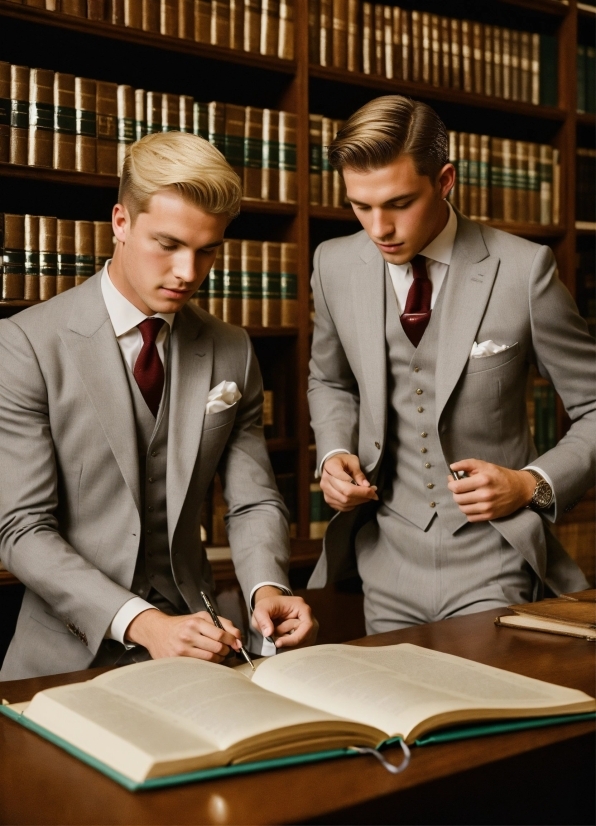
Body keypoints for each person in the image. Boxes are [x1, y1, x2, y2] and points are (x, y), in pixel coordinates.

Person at [0, 131, 316, 681]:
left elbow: (253, 502)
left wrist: (268, 586)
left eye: (207, 250)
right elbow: (23, 529)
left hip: (201, 644)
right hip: (62, 658)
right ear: (120, 222)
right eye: (168, 244)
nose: (188, 273)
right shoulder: (25, 344)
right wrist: (144, 623)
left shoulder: (231, 348)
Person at [307, 95, 594, 633]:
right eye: (360, 206)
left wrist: (531, 483)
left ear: (445, 181)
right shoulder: (334, 265)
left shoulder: (524, 271)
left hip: (492, 555)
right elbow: (329, 380)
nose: (378, 228)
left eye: (398, 203)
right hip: (382, 559)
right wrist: (334, 453)